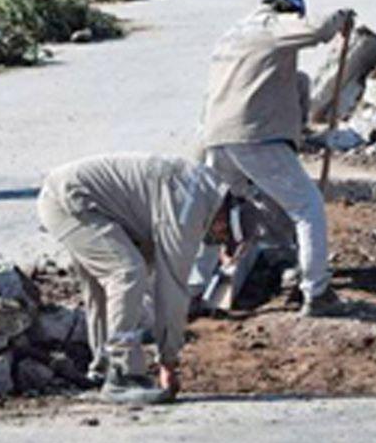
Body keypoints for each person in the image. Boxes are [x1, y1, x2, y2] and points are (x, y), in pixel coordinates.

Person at [36, 153, 249, 404]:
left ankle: (103, 367)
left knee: (109, 283)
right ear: (223, 219)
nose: (215, 241)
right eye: (223, 236)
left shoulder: (206, 189)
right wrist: (169, 361)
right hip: (70, 202)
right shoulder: (188, 213)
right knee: (126, 273)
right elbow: (171, 289)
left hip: (88, 202)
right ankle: (121, 375)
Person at [199, 0, 354, 317]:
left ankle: (197, 288)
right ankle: (317, 291)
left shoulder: (233, 35)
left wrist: (301, 135)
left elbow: (292, 84)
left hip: (216, 137)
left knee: (228, 209)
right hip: (252, 136)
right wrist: (341, 18)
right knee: (307, 206)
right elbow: (319, 29)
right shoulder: (272, 25)